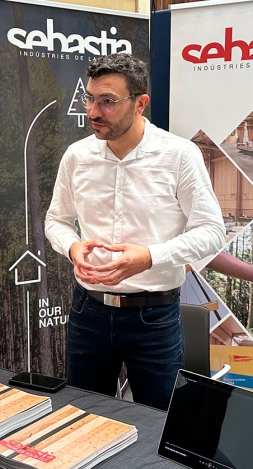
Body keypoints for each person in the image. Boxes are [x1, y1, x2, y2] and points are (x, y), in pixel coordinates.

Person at [45, 54, 224, 410]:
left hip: (154, 318)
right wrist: (72, 247)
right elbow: (56, 221)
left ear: (140, 103)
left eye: (107, 101)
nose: (94, 112)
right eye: (90, 98)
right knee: (81, 420)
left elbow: (211, 232)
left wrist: (150, 256)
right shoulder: (76, 156)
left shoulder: (179, 156)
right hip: (88, 312)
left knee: (157, 427)